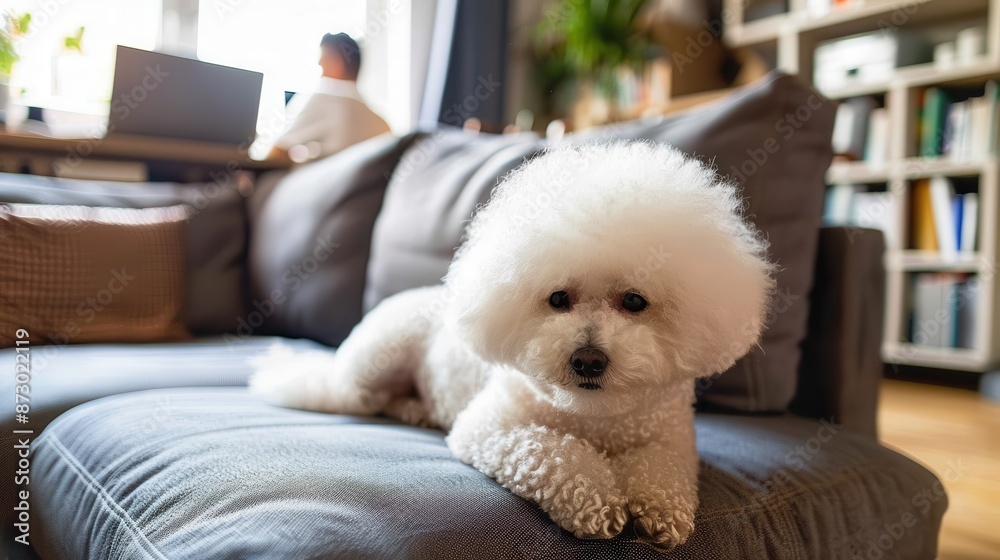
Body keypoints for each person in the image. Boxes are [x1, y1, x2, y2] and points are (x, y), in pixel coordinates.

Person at [268, 33, 390, 162]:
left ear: (337, 63)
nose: (319, 65)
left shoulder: (325, 102)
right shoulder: (383, 126)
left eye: (323, 63)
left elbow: (277, 151)